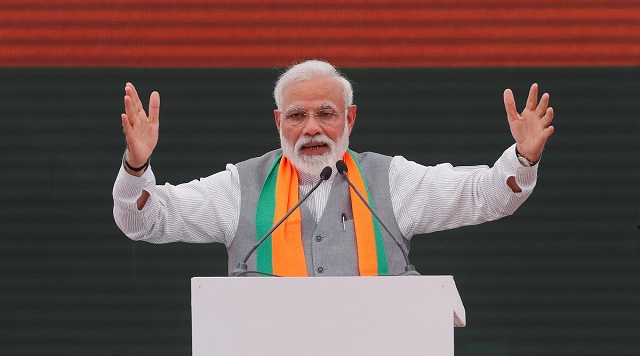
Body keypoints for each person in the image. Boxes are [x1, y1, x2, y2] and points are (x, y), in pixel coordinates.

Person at [113, 60, 554, 277]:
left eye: (326, 113)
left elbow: (485, 195)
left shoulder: (390, 181)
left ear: (350, 119)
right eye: (296, 116)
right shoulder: (239, 186)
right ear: (278, 123)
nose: (311, 128)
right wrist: (137, 166)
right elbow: (146, 220)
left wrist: (523, 158)